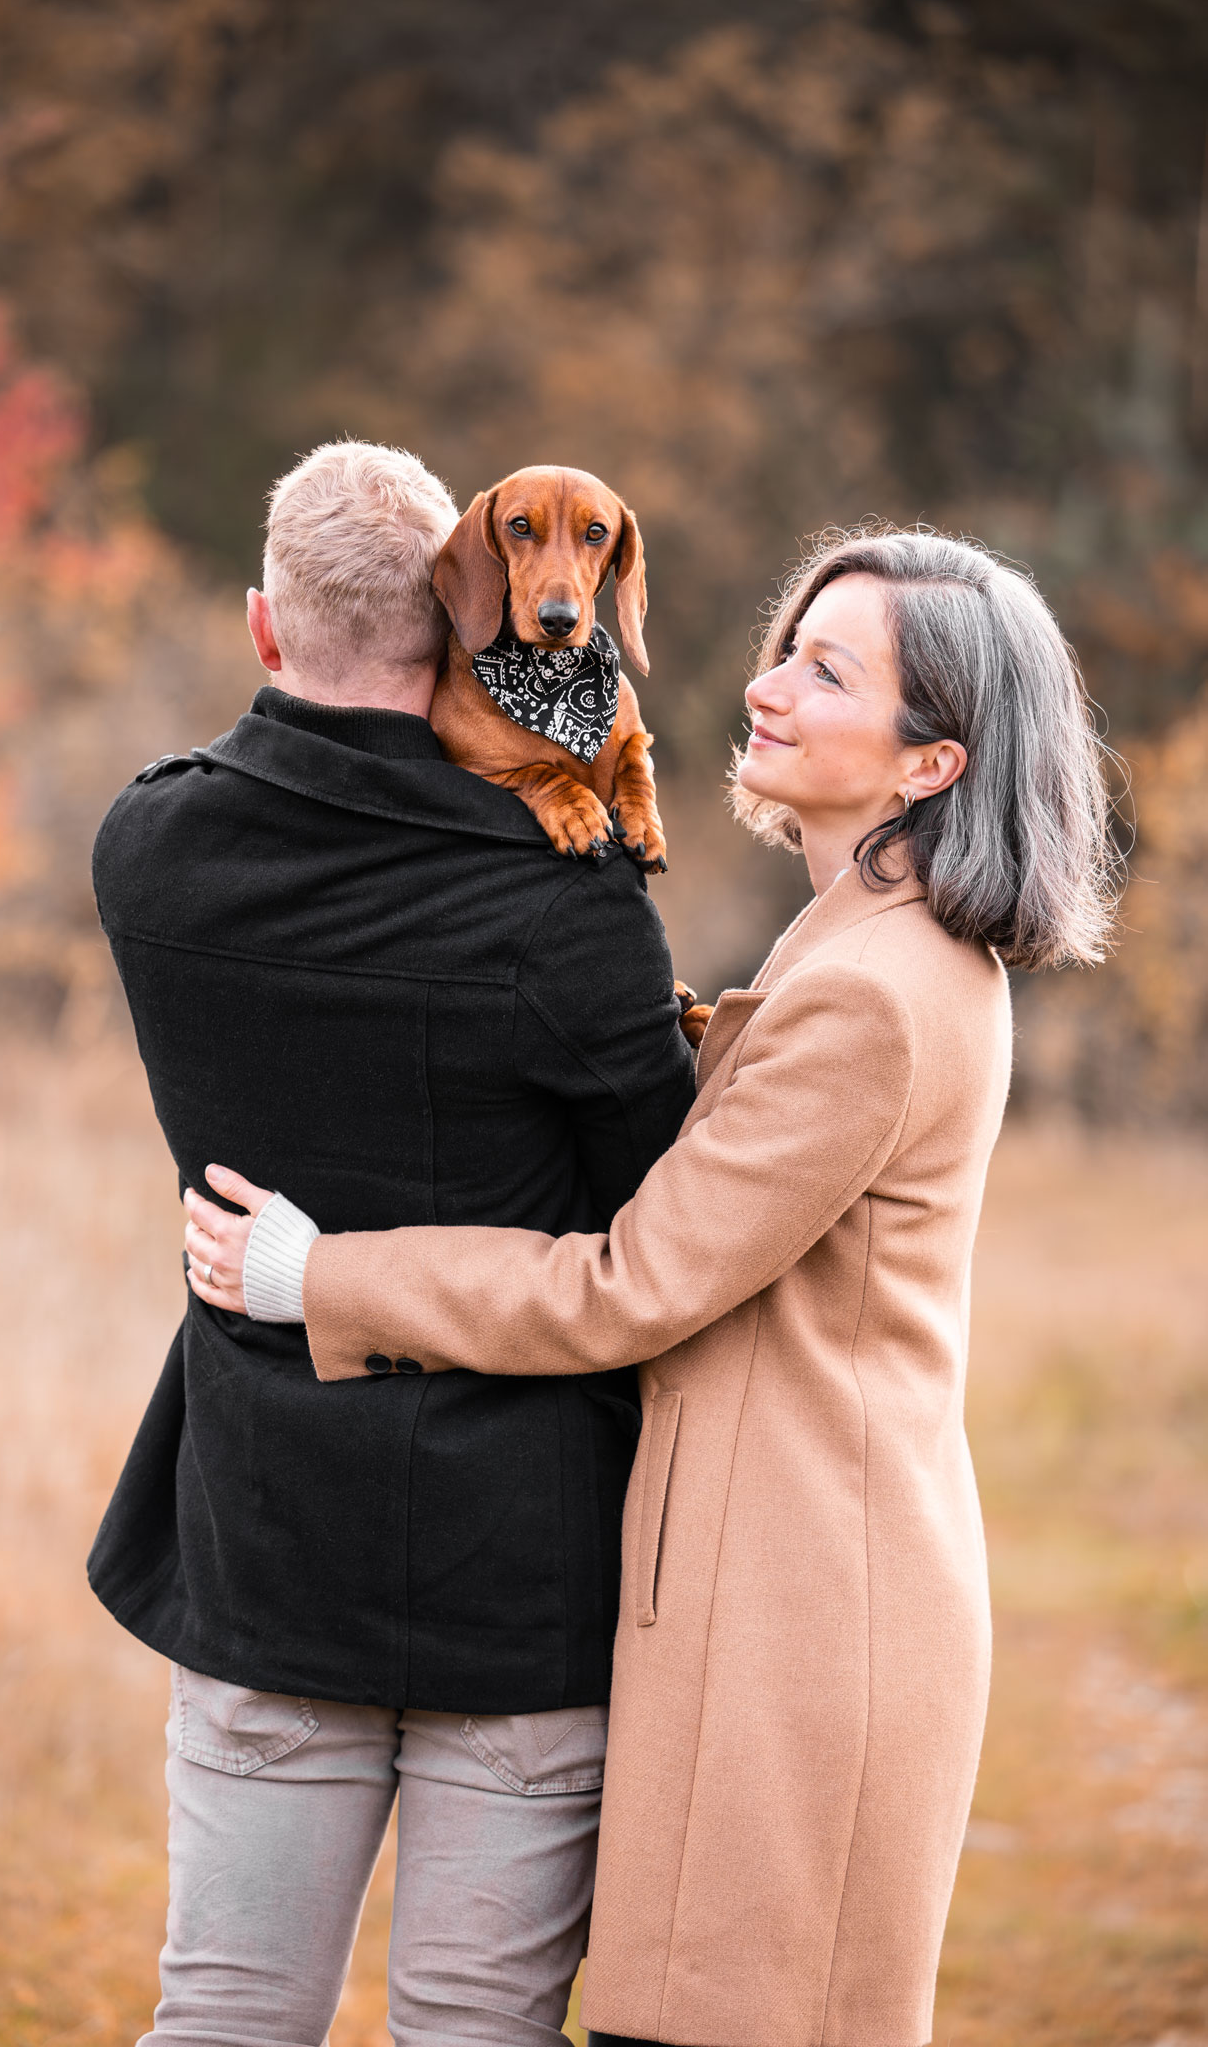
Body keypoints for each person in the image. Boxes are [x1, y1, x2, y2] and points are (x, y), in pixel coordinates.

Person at [185, 527, 1119, 2047]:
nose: (762, 688)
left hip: (799, 1613)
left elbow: (631, 1284)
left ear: (929, 766)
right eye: (782, 646)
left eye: (825, 672)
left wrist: (324, 1277)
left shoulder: (873, 997)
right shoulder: (863, 952)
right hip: (780, 1579)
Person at [89, 440, 696, 2047]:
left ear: (263, 630)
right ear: (463, 625)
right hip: (523, 1556)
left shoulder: (149, 850)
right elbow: (665, 1211)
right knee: (471, 2029)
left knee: (220, 2011)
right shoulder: (570, 902)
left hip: (269, 1532)